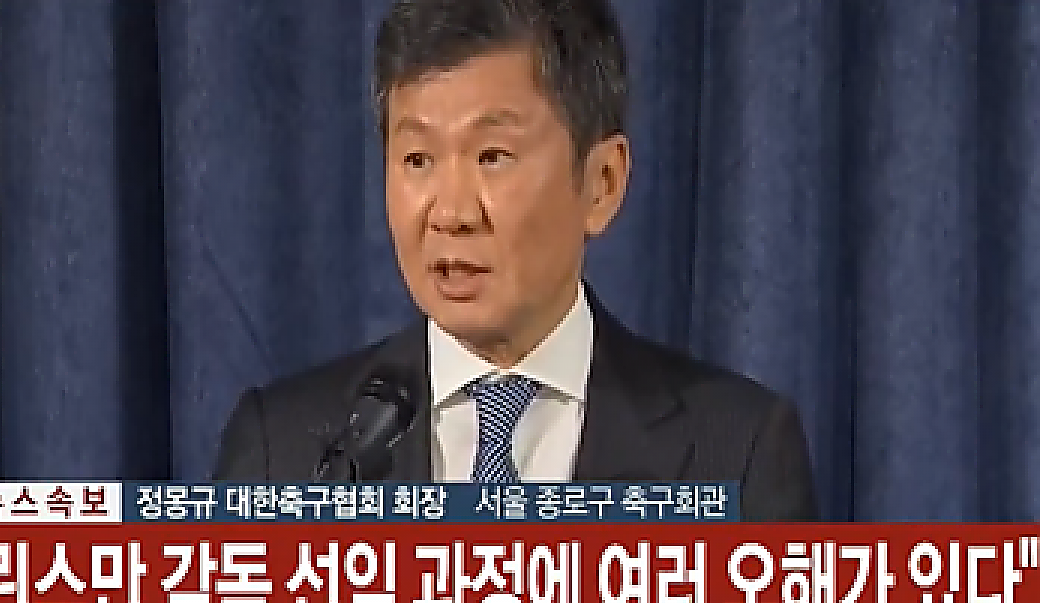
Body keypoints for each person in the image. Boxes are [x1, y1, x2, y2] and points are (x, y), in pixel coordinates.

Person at [214, 0, 818, 521]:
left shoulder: (738, 456)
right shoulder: (281, 454)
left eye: (493, 156)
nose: (452, 213)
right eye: (418, 160)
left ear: (602, 183)